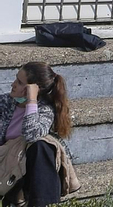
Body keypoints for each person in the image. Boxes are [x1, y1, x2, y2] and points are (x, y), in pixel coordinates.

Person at [1, 61, 74, 205]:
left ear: (34, 89)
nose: (13, 84)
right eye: (16, 79)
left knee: (42, 145)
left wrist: (31, 101)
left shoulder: (45, 110)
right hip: (5, 164)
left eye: (20, 82)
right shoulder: (4, 103)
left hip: (27, 170)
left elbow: (31, 135)